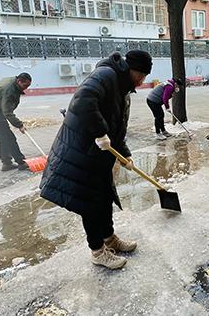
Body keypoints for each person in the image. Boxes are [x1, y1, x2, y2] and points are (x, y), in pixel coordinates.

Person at [39, 50, 152, 270]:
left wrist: (125, 153)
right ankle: (98, 251)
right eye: (142, 75)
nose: (142, 81)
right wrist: (100, 132)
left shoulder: (123, 89)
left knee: (104, 197)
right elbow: (82, 102)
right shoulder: (106, 75)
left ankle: (109, 238)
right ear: (132, 70)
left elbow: (117, 129)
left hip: (99, 154)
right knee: (90, 203)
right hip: (81, 152)